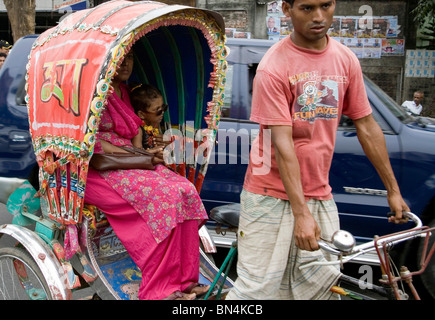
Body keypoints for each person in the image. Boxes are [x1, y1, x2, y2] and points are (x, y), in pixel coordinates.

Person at [226, 0, 409, 300]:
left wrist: (393, 189)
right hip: (269, 194)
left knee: (321, 287)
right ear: (287, 9)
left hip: (319, 193)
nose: (319, 17)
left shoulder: (345, 59)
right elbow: (283, 144)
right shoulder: (274, 67)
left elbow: (367, 125)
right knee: (257, 292)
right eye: (307, 8)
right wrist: (301, 214)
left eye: (326, 5)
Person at [84, 51, 210, 300]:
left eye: (130, 57)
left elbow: (134, 137)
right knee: (166, 197)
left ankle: (185, 280)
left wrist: (143, 154)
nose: (126, 63)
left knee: (185, 189)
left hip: (128, 160)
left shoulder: (125, 92)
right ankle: (158, 289)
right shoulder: (95, 93)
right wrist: (139, 157)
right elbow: (96, 145)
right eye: (120, 57)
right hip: (100, 170)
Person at [129, 83, 168, 151]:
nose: (162, 112)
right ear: (141, 114)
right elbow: (137, 153)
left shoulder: (154, 125)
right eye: (157, 110)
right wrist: (152, 151)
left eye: (163, 107)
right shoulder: (139, 130)